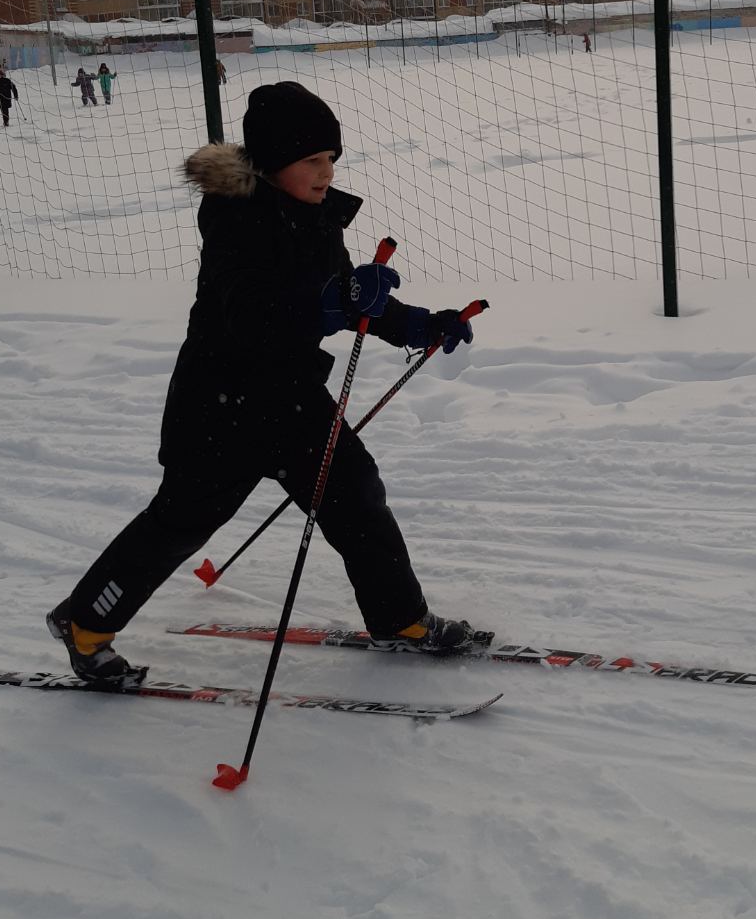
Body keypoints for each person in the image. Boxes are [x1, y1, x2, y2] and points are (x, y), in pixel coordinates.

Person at [47, 81, 477, 684]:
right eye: (312, 161)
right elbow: (254, 311)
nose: (326, 172)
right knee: (182, 521)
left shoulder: (315, 217)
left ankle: (400, 619)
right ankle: (86, 622)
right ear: (275, 164)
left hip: (292, 399)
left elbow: (347, 298)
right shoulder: (234, 221)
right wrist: (332, 303)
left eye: (331, 159)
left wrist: (419, 323)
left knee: (356, 495)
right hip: (221, 405)